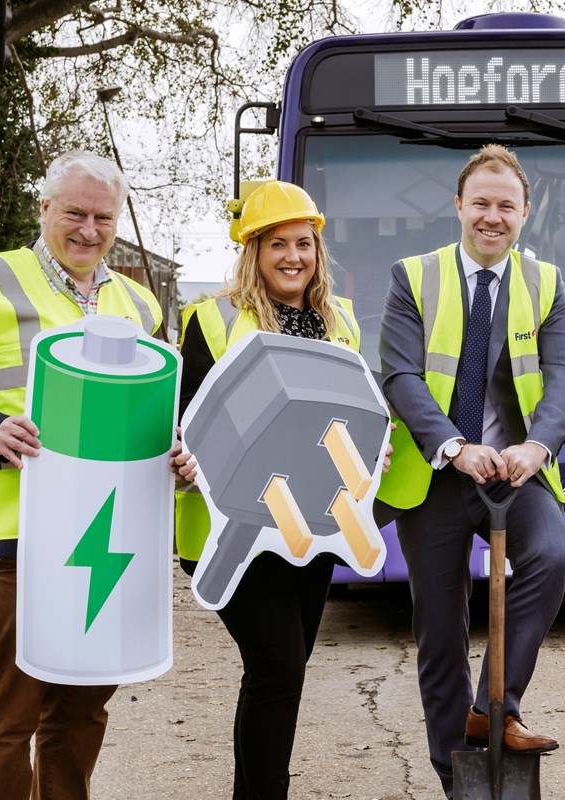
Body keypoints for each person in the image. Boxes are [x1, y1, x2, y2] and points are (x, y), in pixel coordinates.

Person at [0, 151, 161, 799]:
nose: (89, 229)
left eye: (103, 217)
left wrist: (172, 450)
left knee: (80, 714)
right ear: (43, 208)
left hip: (110, 538)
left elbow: (150, 410)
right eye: (74, 212)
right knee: (7, 718)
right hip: (15, 541)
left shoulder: (139, 304)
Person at [374, 144, 565, 797]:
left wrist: (539, 446)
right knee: (440, 638)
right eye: (482, 204)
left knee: (551, 556)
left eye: (507, 206)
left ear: (525, 213)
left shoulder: (545, 283)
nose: (493, 217)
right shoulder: (414, 276)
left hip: (513, 472)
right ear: (459, 206)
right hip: (435, 474)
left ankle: (499, 706)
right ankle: (455, 781)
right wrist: (452, 446)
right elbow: (401, 375)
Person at [171, 180, 368, 799]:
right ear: (252, 250)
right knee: (278, 666)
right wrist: (178, 454)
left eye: (304, 243)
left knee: (280, 673)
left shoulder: (341, 323)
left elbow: (356, 412)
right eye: (276, 243)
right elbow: (183, 419)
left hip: (306, 527)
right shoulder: (214, 317)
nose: (293, 256)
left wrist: (371, 445)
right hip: (230, 526)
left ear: (318, 249)